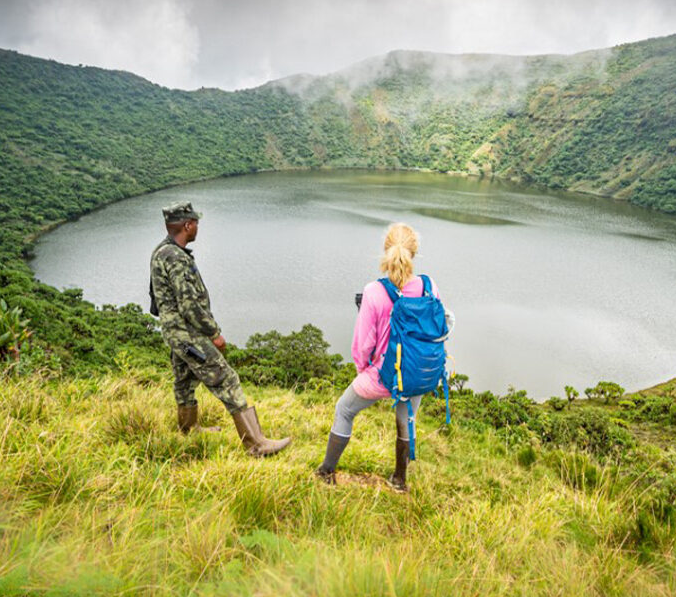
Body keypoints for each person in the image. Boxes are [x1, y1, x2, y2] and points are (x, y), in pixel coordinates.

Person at [315, 222, 451, 491]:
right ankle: (399, 480)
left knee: (344, 409)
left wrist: (364, 370)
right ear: (414, 252)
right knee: (406, 420)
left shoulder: (374, 291)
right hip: (416, 372)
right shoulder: (428, 285)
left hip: (380, 375)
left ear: (386, 250)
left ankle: (326, 472)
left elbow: (362, 345)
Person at [149, 200, 290, 457]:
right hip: (188, 334)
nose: (198, 227)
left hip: (174, 333)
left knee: (184, 380)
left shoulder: (162, 251)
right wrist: (213, 333)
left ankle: (189, 430)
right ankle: (256, 444)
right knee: (226, 379)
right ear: (187, 225)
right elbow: (190, 304)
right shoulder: (176, 258)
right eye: (196, 223)